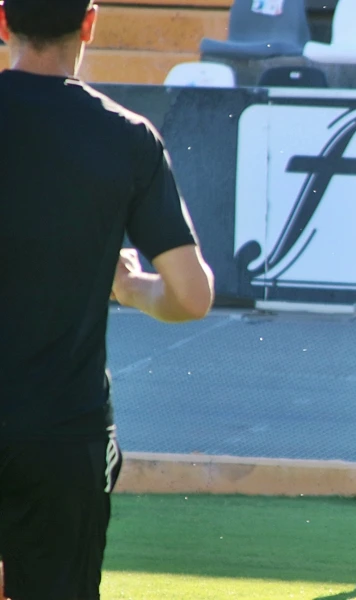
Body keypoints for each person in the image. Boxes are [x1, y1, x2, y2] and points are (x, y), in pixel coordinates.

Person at [0, 1, 215, 598]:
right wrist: (131, 287)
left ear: (2, 21)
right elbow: (191, 296)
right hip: (63, 429)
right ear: (90, 22)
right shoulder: (127, 137)